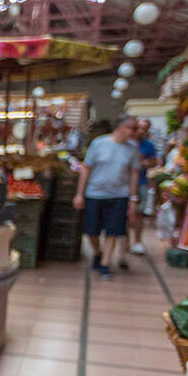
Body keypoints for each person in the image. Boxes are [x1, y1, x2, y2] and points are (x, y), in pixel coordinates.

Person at [73, 115, 141, 281]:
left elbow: (134, 174)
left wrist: (133, 198)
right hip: (95, 194)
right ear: (120, 127)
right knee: (91, 230)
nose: (135, 132)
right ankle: (97, 252)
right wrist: (79, 194)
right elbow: (86, 169)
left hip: (119, 195)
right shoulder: (99, 143)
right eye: (132, 128)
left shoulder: (132, 148)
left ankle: (105, 263)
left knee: (113, 230)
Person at [129, 118, 158, 256]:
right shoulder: (127, 143)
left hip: (141, 183)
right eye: (138, 127)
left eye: (144, 129)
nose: (140, 131)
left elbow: (153, 162)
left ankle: (137, 241)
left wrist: (141, 163)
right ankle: (125, 242)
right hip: (125, 183)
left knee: (139, 214)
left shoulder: (148, 145)